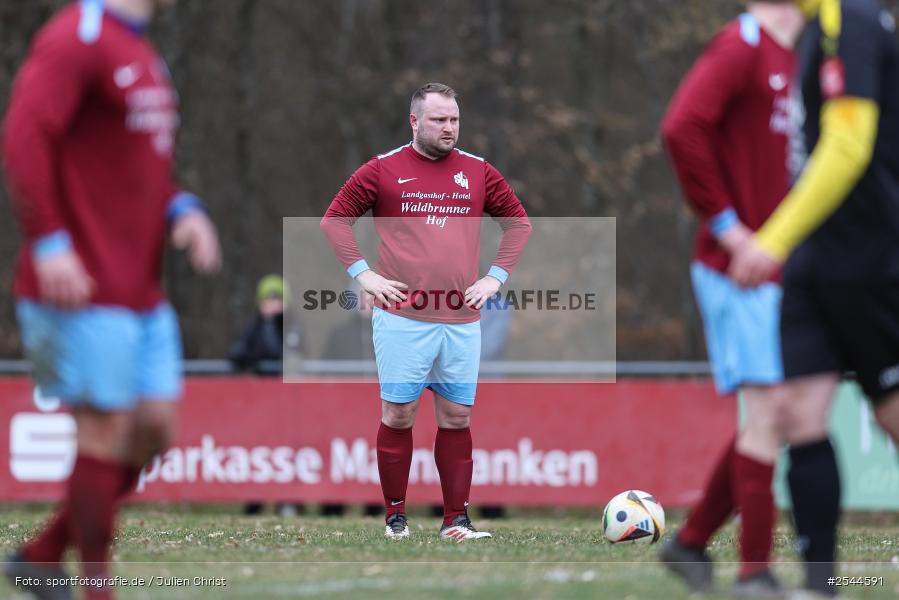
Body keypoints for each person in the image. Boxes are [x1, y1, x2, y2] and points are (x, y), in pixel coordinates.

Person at [1, 1, 221, 599]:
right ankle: (97, 589)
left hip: (138, 290)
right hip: (81, 285)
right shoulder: (77, 36)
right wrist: (48, 241)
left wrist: (181, 207)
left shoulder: (142, 50)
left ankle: (44, 554)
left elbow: (136, 166)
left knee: (154, 429)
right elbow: (24, 134)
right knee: (104, 429)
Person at [729, 0, 899, 595]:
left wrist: (771, 240)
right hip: (814, 262)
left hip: (873, 258)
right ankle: (818, 585)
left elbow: (849, 147)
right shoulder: (812, 33)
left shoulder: (852, 21)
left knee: (891, 413)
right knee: (797, 413)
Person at [320, 83, 531, 541]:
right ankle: (396, 516)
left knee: (457, 417)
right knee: (399, 415)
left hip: (460, 319)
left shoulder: (478, 172)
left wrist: (494, 279)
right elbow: (334, 219)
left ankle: (456, 520)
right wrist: (363, 275)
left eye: (454, 119)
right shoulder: (383, 170)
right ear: (414, 122)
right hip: (402, 318)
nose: (449, 128)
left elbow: (519, 224)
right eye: (439, 120)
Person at [658, 1, 804, 595]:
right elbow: (680, 127)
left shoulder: (798, 54)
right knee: (771, 412)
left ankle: (690, 543)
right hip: (737, 267)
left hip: (778, 266)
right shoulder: (741, 44)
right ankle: (755, 574)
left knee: (781, 413)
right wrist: (729, 228)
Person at [229, 274, 305, 517]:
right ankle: (255, 501)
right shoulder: (254, 326)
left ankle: (289, 503)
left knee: (288, 452)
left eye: (277, 299)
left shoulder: (292, 325)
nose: (272, 304)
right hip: (261, 403)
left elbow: (294, 357)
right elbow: (237, 354)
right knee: (260, 452)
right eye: (267, 299)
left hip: (288, 403)